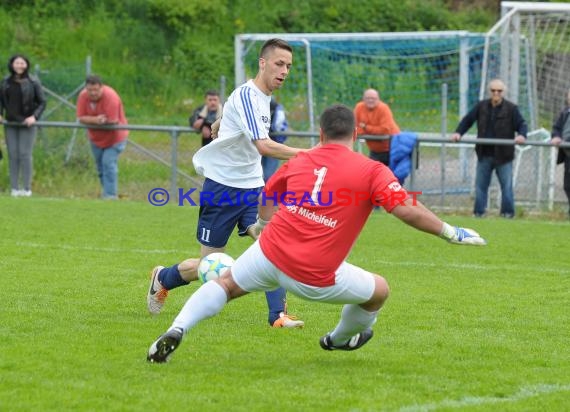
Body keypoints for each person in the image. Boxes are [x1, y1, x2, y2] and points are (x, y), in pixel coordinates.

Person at [147, 104, 487, 363]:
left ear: (321, 135)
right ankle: (338, 340)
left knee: (226, 285)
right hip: (313, 275)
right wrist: (450, 232)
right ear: (356, 136)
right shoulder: (372, 170)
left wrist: (265, 227)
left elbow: (266, 198)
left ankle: (178, 327)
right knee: (378, 291)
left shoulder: (300, 160)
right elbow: (406, 209)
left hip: (268, 253)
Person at [147, 38, 307, 328]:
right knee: (208, 267)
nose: (284, 71)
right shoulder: (249, 94)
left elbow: (234, 111)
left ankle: (278, 316)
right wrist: (309, 154)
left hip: (253, 188)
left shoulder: (260, 95)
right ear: (263, 63)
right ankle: (163, 277)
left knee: (273, 243)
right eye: (279, 64)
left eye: (289, 66)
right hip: (221, 189)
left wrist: (221, 122)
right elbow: (263, 146)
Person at [451, 79, 528, 218]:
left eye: (499, 91)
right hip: (484, 153)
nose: (496, 93)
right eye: (493, 91)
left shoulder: (511, 109)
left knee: (506, 187)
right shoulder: (481, 107)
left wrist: (522, 135)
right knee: (480, 186)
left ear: (503, 92)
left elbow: (522, 124)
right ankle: (479, 213)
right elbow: (468, 120)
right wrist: (458, 132)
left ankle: (507, 213)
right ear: (489, 92)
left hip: (504, 155)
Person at [0, 54, 46, 197]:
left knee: (25, 155)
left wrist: (34, 117)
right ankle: (14, 188)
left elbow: (42, 102)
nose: (19, 66)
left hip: (27, 123)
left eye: (22, 63)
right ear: (12, 65)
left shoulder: (33, 82)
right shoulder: (5, 82)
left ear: (26, 65)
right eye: (17, 63)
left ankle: (26, 189)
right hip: (11, 122)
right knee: (13, 155)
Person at [76, 75, 128, 200]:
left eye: (96, 90)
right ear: (86, 89)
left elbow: (111, 120)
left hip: (115, 138)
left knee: (108, 163)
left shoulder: (111, 97)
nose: (93, 93)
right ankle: (107, 193)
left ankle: (110, 196)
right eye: (90, 90)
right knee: (100, 167)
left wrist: (93, 120)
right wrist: (96, 120)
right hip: (96, 138)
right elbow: (81, 117)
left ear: (102, 88)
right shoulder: (83, 96)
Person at [354, 88, 400, 167]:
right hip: (375, 150)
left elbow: (385, 130)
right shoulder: (359, 107)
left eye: (373, 98)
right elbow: (354, 127)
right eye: (368, 98)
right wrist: (365, 129)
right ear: (363, 99)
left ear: (378, 99)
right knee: (372, 174)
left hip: (392, 148)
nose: (370, 100)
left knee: (393, 175)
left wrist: (366, 127)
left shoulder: (383, 108)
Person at [550, 88, 570, 218]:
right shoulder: (564, 113)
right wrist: (556, 136)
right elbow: (556, 128)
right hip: (568, 155)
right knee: (567, 185)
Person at [261, 97, 288, 181]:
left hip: (273, 144)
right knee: (259, 175)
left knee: (268, 175)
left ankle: (267, 193)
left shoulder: (277, 109)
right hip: (260, 143)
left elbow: (279, 127)